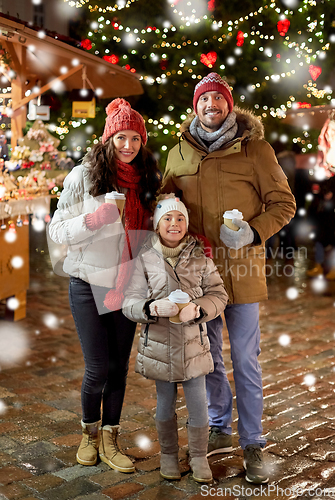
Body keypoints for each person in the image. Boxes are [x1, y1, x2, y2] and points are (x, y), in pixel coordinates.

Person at [161, 72, 296, 484]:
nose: (211, 106)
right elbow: (166, 203)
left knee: (245, 359)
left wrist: (253, 230)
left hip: (241, 272)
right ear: (195, 106)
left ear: (229, 105)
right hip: (200, 275)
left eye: (219, 100)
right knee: (210, 359)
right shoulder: (178, 153)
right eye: (205, 100)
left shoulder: (256, 150)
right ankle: (220, 427)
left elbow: (283, 203)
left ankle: (253, 442)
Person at [48, 98, 161, 472]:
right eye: (121, 137)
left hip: (126, 286)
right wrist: (94, 220)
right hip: (87, 282)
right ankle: (88, 434)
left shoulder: (146, 180)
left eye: (134, 138)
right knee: (97, 367)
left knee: (118, 368)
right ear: (108, 139)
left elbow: (151, 235)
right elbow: (57, 229)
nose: (127, 145)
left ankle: (111, 438)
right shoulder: (84, 176)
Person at [122, 195, 228, 483]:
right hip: (160, 346)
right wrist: (150, 308)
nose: (174, 223)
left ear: (187, 225)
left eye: (180, 218)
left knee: (197, 403)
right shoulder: (144, 260)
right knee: (164, 404)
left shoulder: (200, 259)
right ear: (157, 225)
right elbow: (129, 301)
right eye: (167, 218)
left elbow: (219, 295)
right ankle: (168, 454)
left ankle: (198, 456)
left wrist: (199, 308)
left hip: (193, 345)